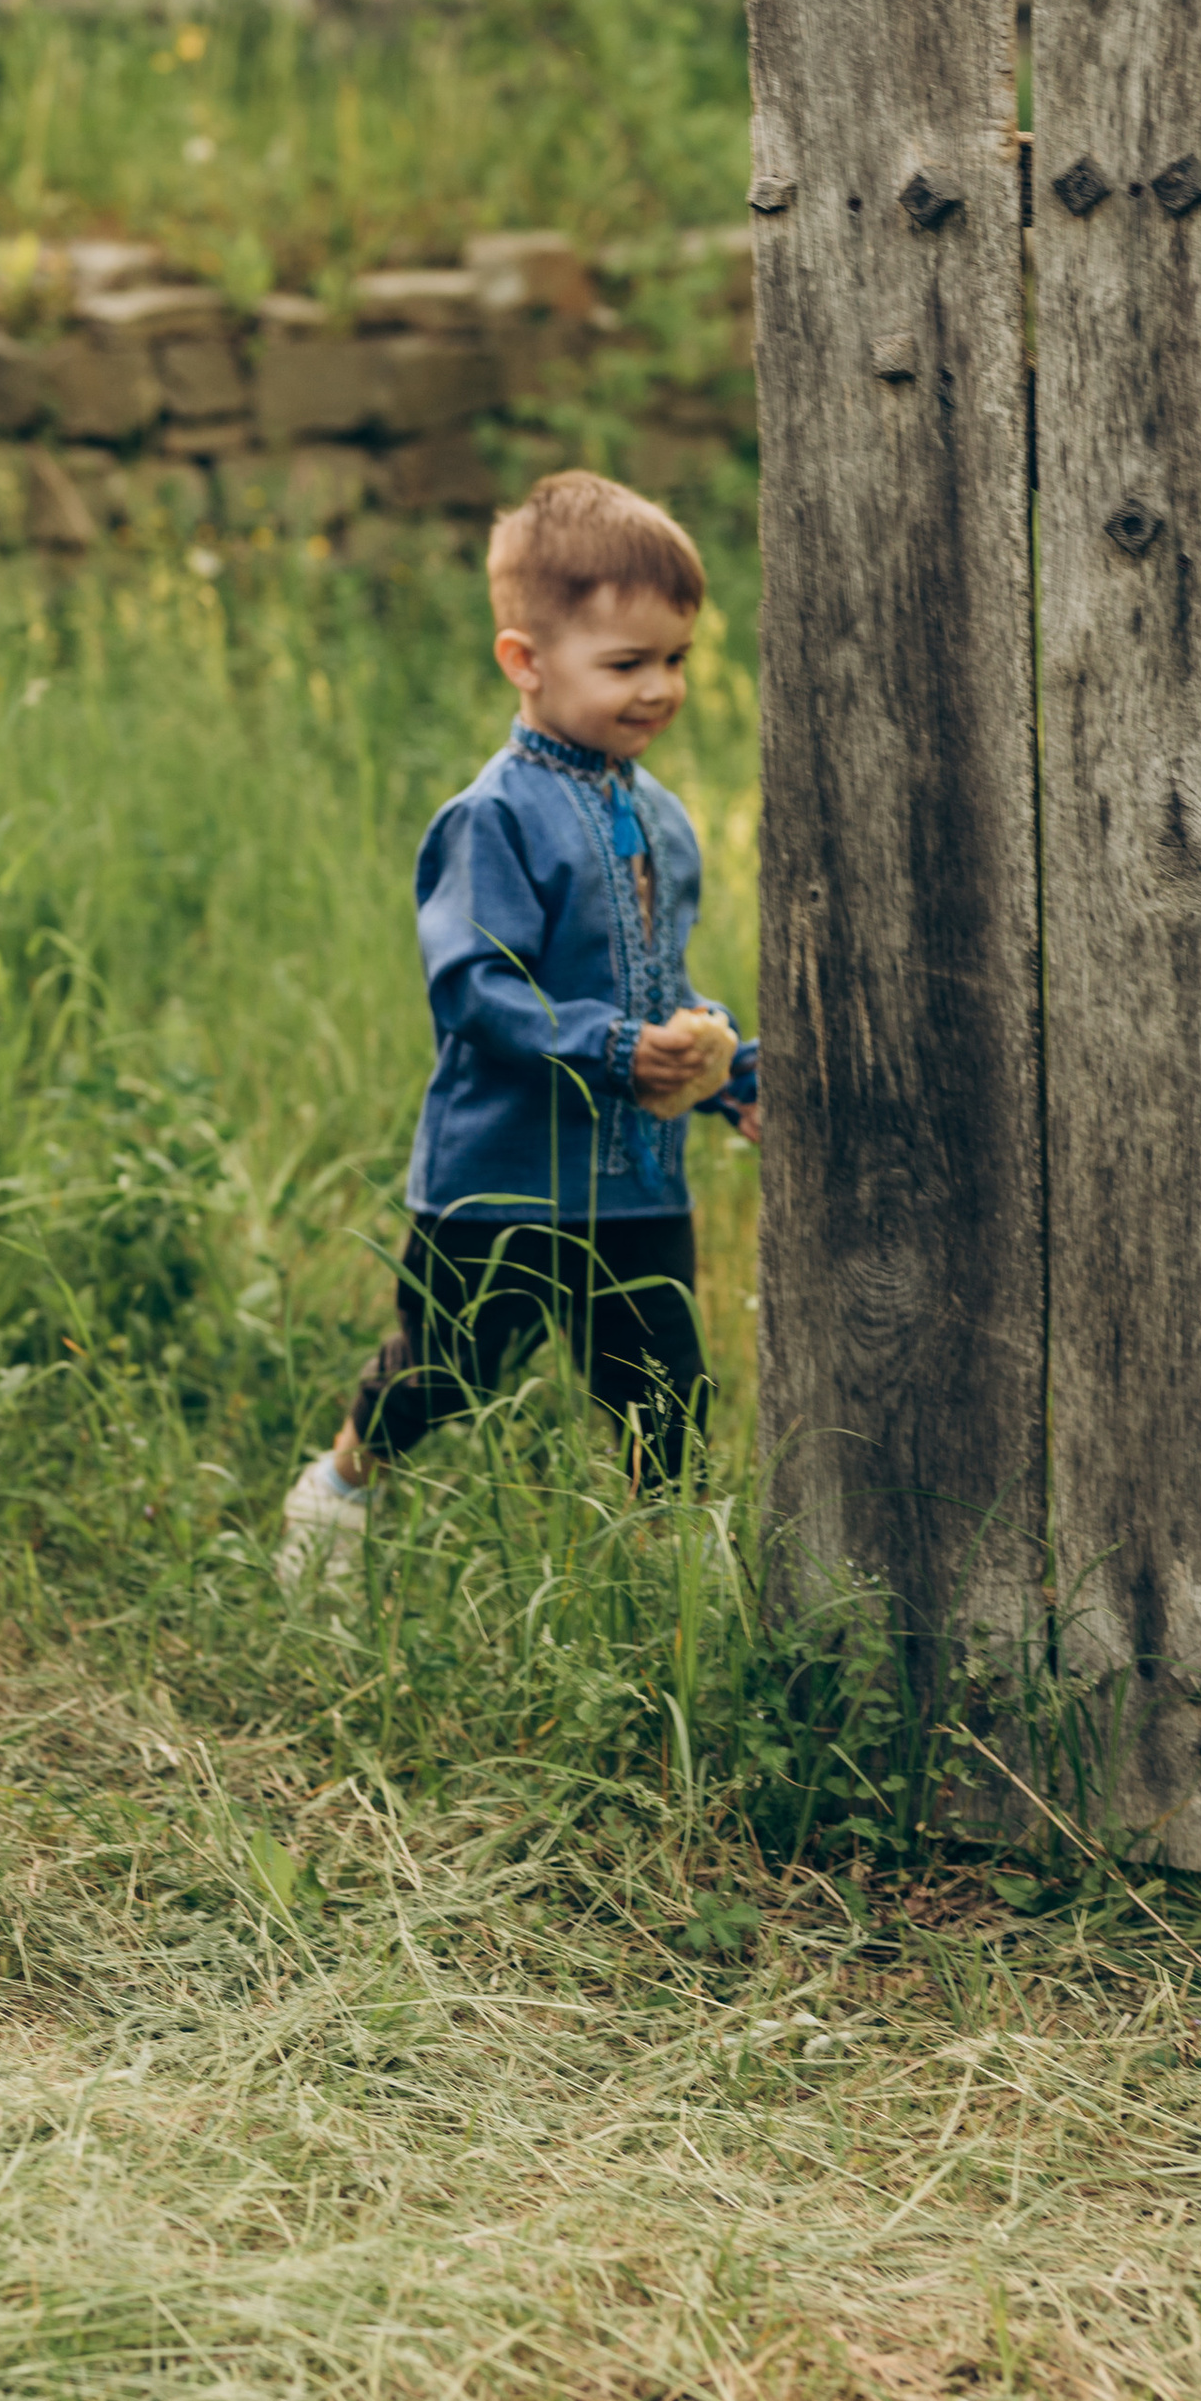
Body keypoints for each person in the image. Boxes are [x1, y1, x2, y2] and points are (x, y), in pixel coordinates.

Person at [280, 469, 758, 1580]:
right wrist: (609, 1047)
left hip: (635, 1176)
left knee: (661, 1383)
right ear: (525, 662)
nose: (659, 689)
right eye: (626, 664)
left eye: (675, 659)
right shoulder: (491, 816)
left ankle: (668, 1572)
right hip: (500, 1173)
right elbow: (475, 986)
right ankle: (340, 1488)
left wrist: (725, 1068)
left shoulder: (664, 818)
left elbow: (662, 983)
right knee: (449, 1361)